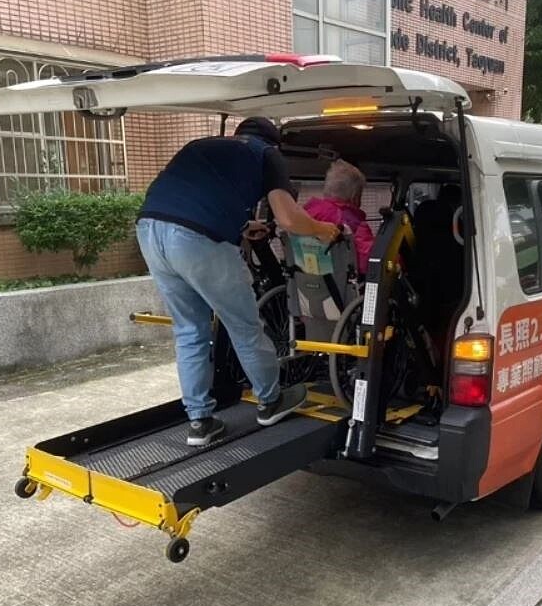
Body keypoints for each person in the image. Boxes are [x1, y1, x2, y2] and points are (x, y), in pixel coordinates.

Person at [136, 117, 339, 446]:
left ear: (238, 133)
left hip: (149, 229)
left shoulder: (202, 145)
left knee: (189, 331)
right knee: (243, 325)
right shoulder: (266, 154)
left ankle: (200, 423)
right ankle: (271, 401)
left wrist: (240, 226)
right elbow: (288, 218)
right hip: (196, 239)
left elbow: (195, 198)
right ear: (273, 142)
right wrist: (322, 229)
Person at [302, 159, 374, 275]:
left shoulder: (303, 216)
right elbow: (369, 263)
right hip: (341, 289)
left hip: (306, 286)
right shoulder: (354, 223)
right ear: (355, 196)